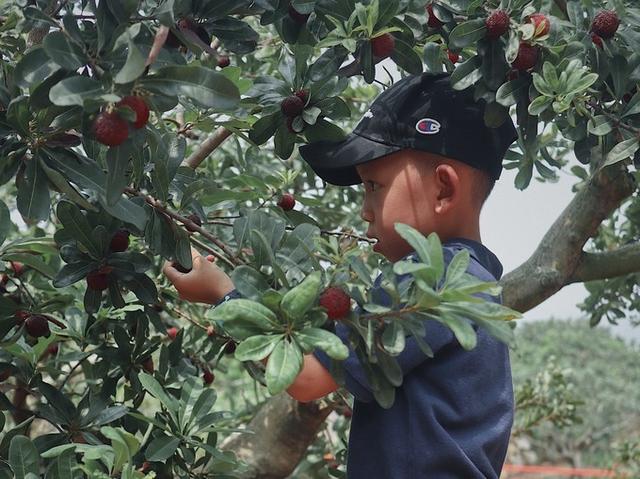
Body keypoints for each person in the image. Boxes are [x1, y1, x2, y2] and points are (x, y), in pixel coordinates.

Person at [163, 72, 518, 478]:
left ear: (442, 189)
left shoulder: (429, 275)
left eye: (374, 187)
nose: (365, 210)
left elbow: (307, 378)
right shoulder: (477, 283)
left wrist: (224, 296)